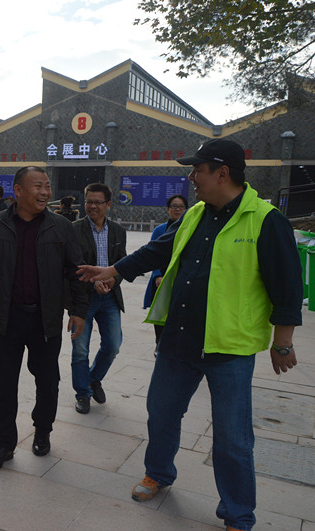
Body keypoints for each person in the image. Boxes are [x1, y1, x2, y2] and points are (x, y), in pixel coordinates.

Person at [77, 138, 302, 531]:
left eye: (198, 170)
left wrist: (282, 342)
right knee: (161, 413)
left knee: (232, 437)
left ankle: (238, 514)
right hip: (178, 339)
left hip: (228, 348)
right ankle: (158, 473)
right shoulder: (195, 213)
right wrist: (112, 270)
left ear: (222, 173)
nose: (192, 177)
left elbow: (287, 286)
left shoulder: (266, 220)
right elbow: (158, 250)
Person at [0, 166, 88, 471]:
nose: (45, 192)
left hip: (44, 319)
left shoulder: (61, 227)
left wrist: (78, 311)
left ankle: (43, 431)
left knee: (48, 381)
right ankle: (4, 443)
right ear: (19, 190)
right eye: (38, 186)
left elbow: (76, 272)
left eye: (47, 186)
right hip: (5, 318)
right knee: (1, 383)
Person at [70, 183, 127, 414]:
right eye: (89, 202)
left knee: (113, 345)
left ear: (108, 204)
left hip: (110, 298)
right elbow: (71, 266)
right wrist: (93, 282)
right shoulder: (74, 230)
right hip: (83, 299)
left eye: (97, 202)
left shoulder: (118, 231)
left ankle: (94, 379)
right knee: (80, 349)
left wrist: (113, 280)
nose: (92, 206)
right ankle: (83, 394)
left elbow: (122, 263)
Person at [143, 194, 188, 346]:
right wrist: (157, 276)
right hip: (162, 278)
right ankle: (159, 343)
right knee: (160, 312)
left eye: (181, 207)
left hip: (182, 278)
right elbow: (152, 254)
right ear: (168, 209)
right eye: (174, 206)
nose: (177, 210)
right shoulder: (160, 230)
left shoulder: (191, 229)